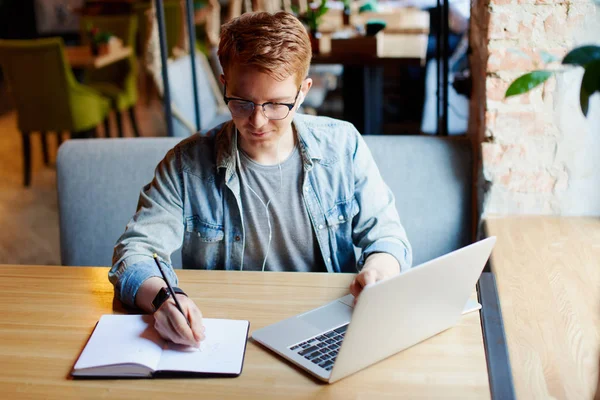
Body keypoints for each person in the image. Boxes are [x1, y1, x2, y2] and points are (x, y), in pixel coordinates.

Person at [109, 11, 412, 348]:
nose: (257, 121)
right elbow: (134, 252)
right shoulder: (187, 164)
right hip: (223, 332)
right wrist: (163, 299)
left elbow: (386, 237)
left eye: (276, 104)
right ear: (225, 84)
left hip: (324, 326)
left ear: (303, 92)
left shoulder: (343, 146)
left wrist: (378, 274)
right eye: (242, 102)